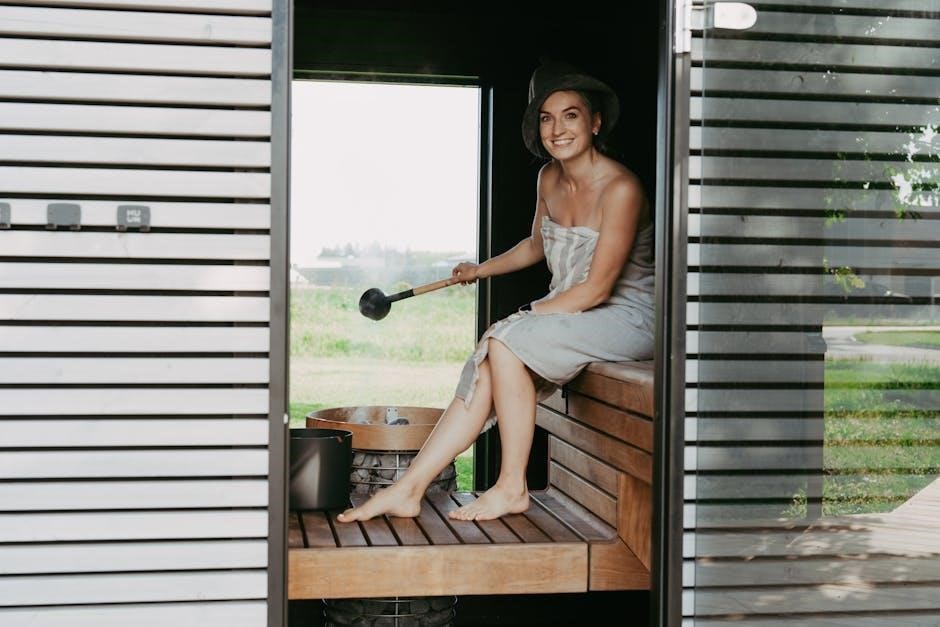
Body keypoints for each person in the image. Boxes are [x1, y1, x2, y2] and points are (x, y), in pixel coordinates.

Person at [338, 60, 654, 523]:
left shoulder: (621, 188)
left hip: (626, 317)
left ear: (595, 122)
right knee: (493, 358)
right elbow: (537, 244)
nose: (557, 129)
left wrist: (526, 315)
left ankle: (511, 486)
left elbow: (597, 289)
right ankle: (408, 488)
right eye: (546, 118)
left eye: (570, 115)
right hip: (575, 313)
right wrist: (479, 270)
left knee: (503, 342)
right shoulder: (549, 178)